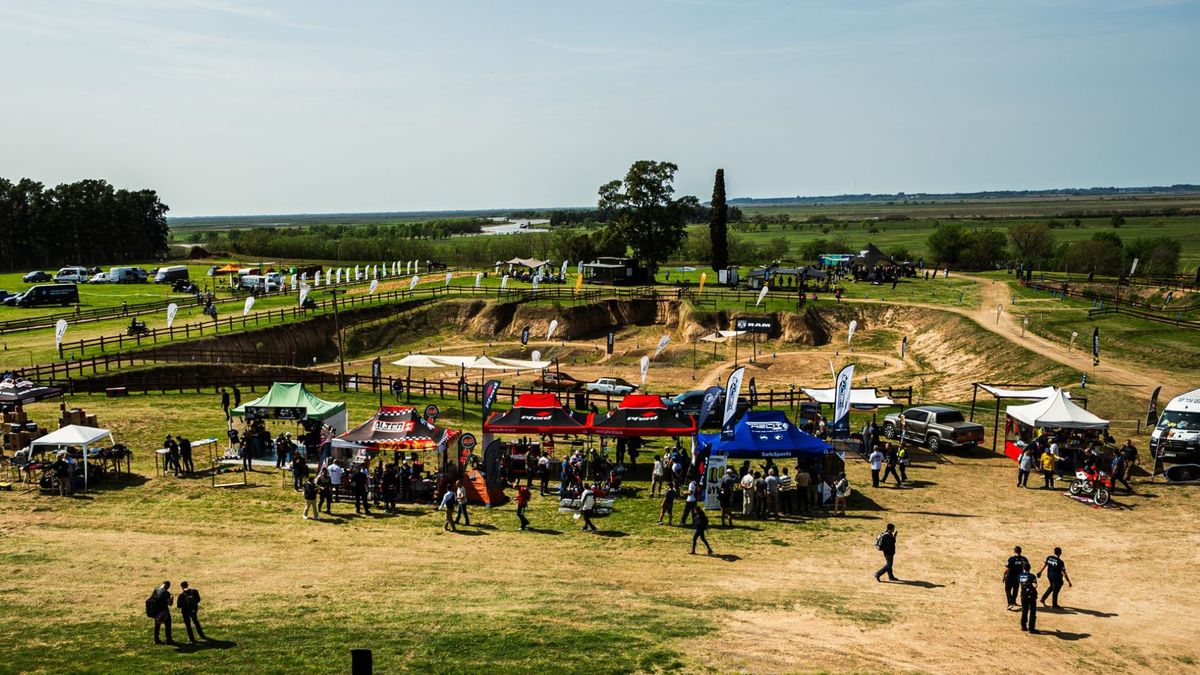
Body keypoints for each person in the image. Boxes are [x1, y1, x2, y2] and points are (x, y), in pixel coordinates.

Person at [148, 580, 174, 644]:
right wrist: (172, 598)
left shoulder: (156, 590)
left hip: (156, 611)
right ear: (168, 586)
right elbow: (170, 604)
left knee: (157, 625)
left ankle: (156, 639)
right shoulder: (166, 593)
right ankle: (168, 640)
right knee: (168, 624)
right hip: (164, 611)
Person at [1018, 562, 1039, 633]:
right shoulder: (1032, 576)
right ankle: (1031, 628)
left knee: (1024, 611)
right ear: (1029, 568)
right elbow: (1035, 585)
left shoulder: (1020, 575)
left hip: (1023, 595)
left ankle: (1023, 626)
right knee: (1032, 612)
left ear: (1023, 568)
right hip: (1031, 595)